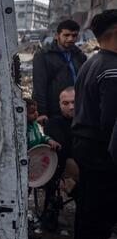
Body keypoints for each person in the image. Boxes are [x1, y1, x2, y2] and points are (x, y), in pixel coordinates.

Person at [71, 9, 117, 239]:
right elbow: (111, 121)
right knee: (95, 216)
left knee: (89, 212)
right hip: (100, 150)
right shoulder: (111, 68)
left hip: (86, 145)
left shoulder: (92, 61)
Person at [32, 19, 86, 122]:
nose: (70, 39)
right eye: (66, 35)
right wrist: (42, 112)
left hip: (77, 110)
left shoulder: (80, 56)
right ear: (57, 36)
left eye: (74, 36)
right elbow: (39, 86)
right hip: (55, 112)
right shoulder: (43, 55)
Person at [41, 87, 79, 231]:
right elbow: (62, 149)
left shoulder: (88, 119)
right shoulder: (54, 123)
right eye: (66, 103)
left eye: (74, 102)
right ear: (59, 104)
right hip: (63, 165)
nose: (71, 106)